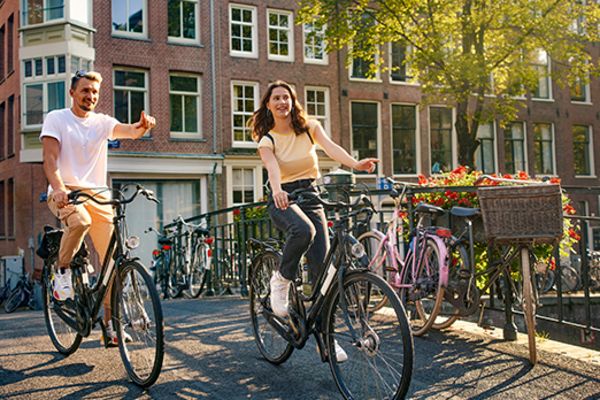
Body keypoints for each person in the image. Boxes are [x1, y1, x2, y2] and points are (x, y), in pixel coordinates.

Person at [251, 80, 378, 361]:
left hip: (311, 193)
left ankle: (327, 342)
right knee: (303, 230)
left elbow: (332, 149)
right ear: (268, 105)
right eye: (276, 99)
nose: (282, 102)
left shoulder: (310, 127)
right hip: (283, 197)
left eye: (286, 97)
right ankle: (281, 279)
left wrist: (355, 164)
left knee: (323, 275)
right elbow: (272, 169)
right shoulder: (267, 139)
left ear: (293, 101)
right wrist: (277, 191)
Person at [40, 70, 156, 346]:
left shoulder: (102, 123)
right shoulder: (57, 119)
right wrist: (58, 188)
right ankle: (63, 272)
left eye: (94, 92)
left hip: (98, 194)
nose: (90, 96)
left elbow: (129, 132)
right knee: (80, 222)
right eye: (84, 90)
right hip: (65, 192)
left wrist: (143, 126)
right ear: (72, 93)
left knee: (113, 260)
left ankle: (110, 325)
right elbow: (50, 160)